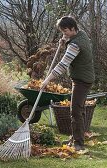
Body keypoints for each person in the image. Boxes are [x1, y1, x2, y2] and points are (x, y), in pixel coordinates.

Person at [40, 16, 95, 151]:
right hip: (83, 77)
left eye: (65, 31)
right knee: (78, 110)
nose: (63, 34)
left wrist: (47, 80)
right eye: (62, 32)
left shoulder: (75, 45)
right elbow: (72, 42)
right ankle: (76, 137)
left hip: (82, 81)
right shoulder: (81, 34)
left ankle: (78, 144)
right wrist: (64, 41)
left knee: (75, 111)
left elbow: (63, 65)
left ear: (72, 28)